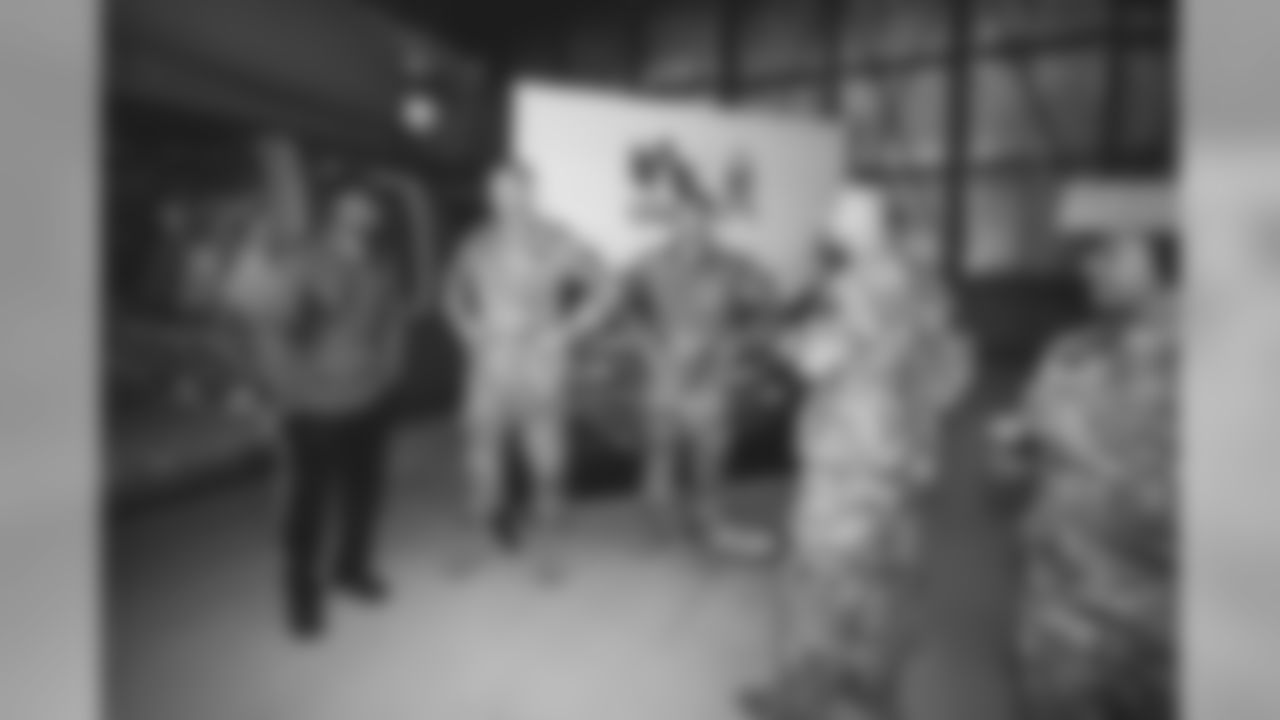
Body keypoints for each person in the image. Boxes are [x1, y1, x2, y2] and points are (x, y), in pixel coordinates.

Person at [746, 185, 972, 719]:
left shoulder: (851, 285)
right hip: (899, 456)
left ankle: (802, 695)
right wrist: (917, 433)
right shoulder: (927, 286)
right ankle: (873, 686)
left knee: (814, 574)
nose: (828, 218)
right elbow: (955, 370)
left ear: (867, 225)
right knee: (883, 573)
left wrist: (780, 341)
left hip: (846, 456)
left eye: (839, 211)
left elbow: (814, 360)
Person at [199, 136, 416, 639]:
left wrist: (389, 374)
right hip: (314, 411)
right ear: (334, 210)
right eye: (351, 206)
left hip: (370, 404)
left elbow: (393, 324)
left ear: (376, 218)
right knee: (308, 508)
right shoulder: (304, 260)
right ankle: (302, 595)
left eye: (369, 209)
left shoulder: (381, 266)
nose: (360, 216)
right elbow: (264, 330)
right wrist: (286, 393)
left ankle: (351, 570)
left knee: (365, 497)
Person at [989, 201, 1178, 719]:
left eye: (1108, 250)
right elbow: (1020, 470)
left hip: (1156, 644)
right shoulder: (1070, 354)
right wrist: (1012, 461)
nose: (1087, 265)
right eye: (1087, 251)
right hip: (1058, 632)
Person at [442, 159, 619, 564]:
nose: (504, 200)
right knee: (480, 447)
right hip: (488, 364)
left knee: (545, 453)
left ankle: (549, 529)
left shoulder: (558, 239)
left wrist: (568, 331)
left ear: (529, 192)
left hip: (538, 363)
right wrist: (464, 325)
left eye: (513, 191)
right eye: (496, 192)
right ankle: (484, 523)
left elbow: (607, 285)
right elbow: (451, 291)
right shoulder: (476, 241)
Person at [626, 141, 777, 546]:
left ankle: (708, 520)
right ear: (672, 222)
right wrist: (648, 347)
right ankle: (658, 522)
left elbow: (768, 307)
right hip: (663, 381)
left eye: (700, 220)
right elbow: (626, 311)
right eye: (683, 219)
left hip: (710, 382)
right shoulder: (649, 265)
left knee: (710, 461)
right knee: (659, 458)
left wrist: (735, 343)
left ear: (711, 224)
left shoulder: (735, 267)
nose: (692, 227)